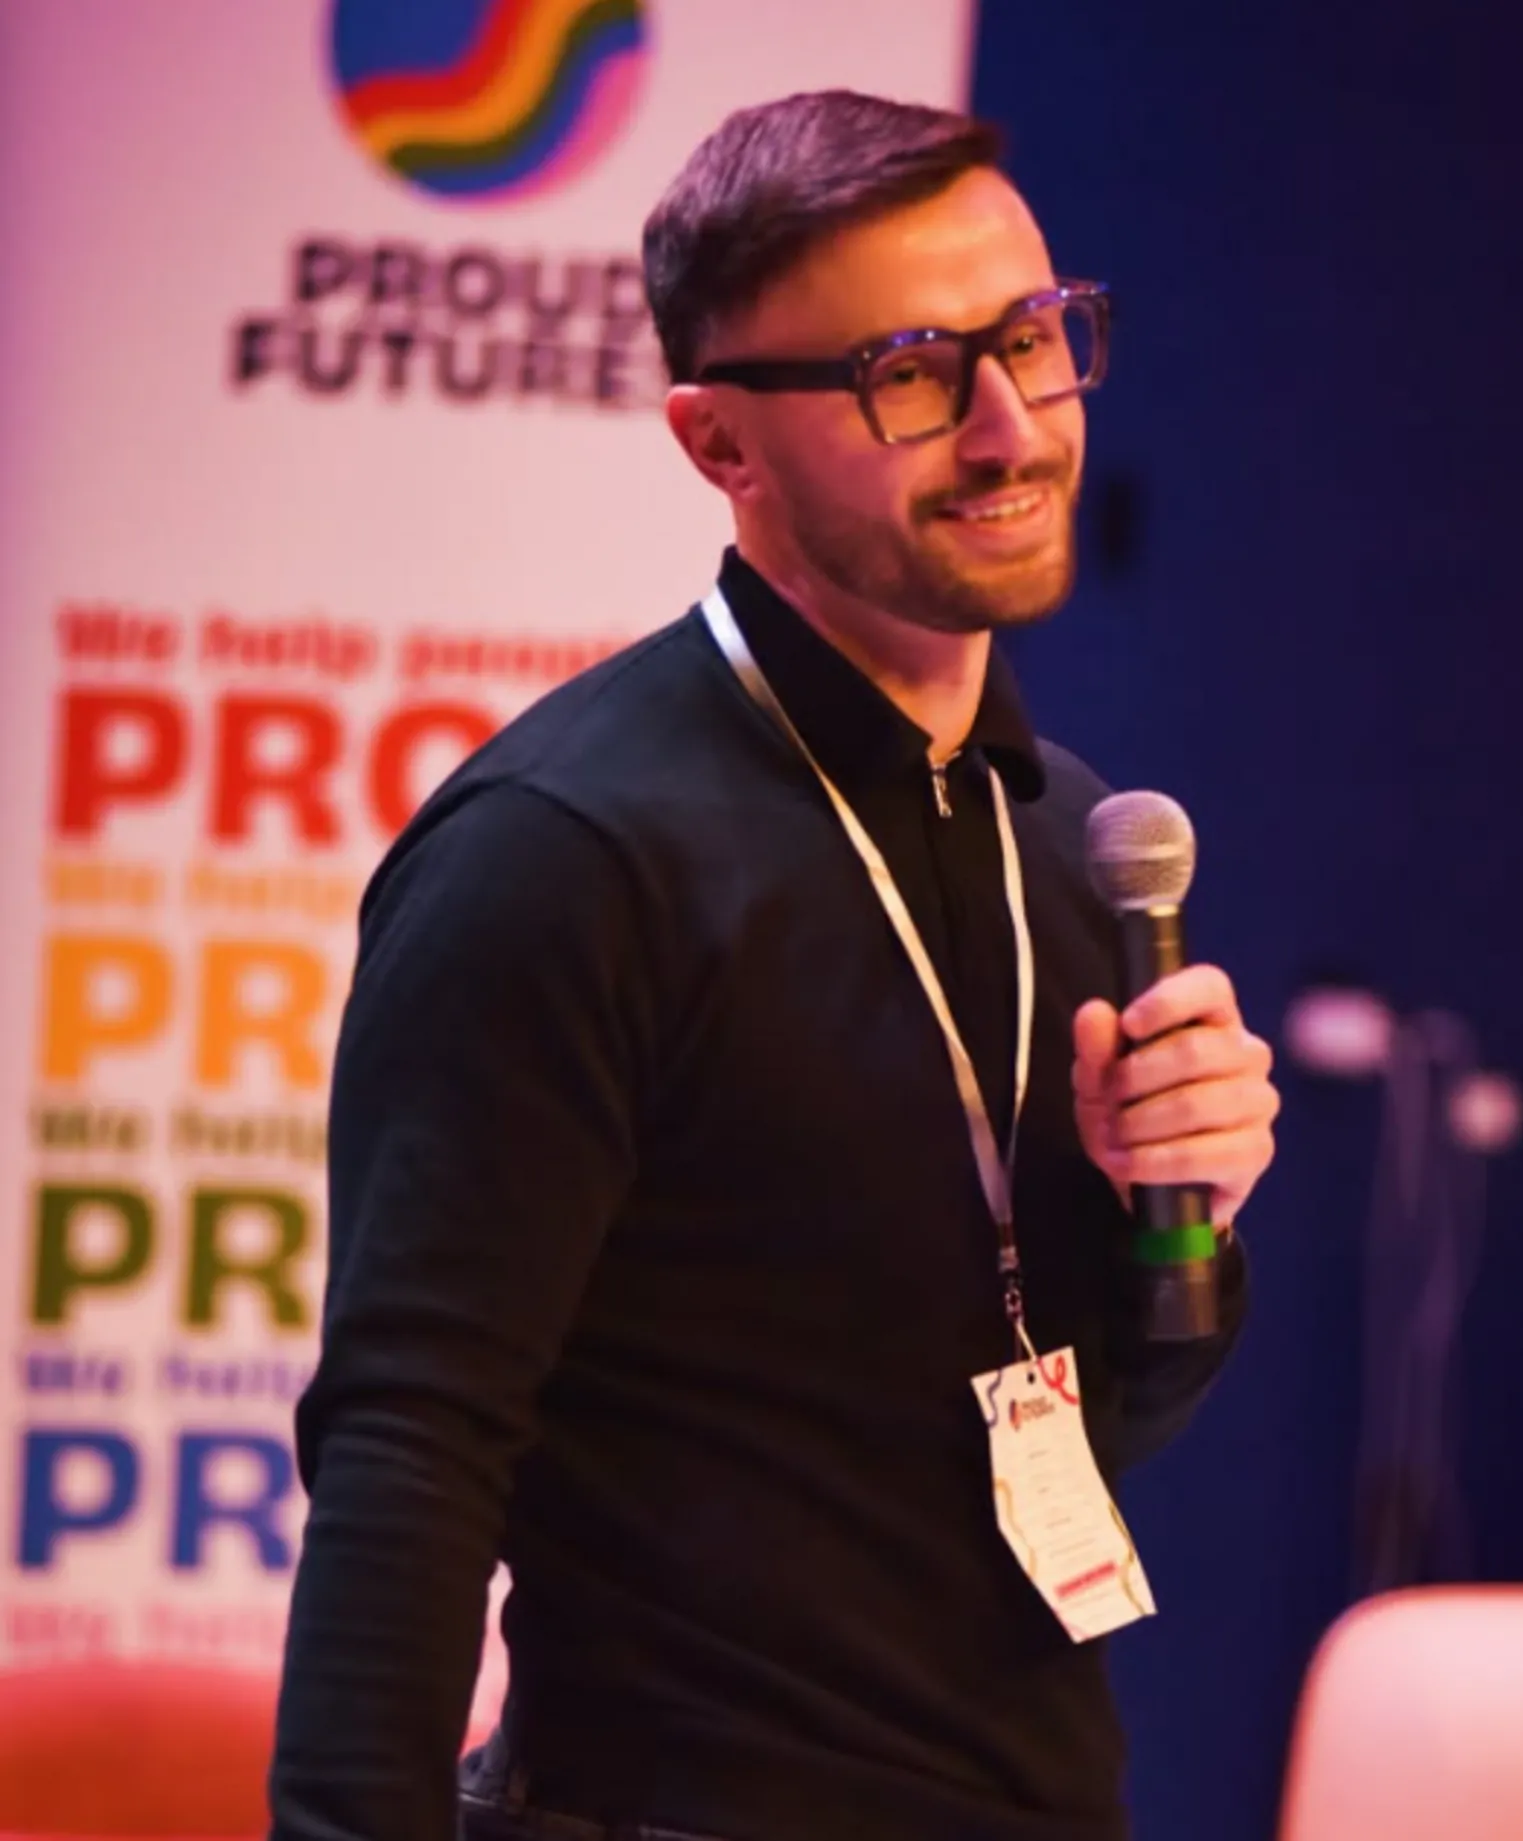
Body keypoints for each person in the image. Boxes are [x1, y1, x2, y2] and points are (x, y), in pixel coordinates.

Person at [268, 89, 1279, 1841]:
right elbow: (408, 1449)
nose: (1007, 424)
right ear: (718, 443)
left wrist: (1172, 1215)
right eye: (910, 373)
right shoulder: (564, 852)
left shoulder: (1064, 837)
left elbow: (1071, 1417)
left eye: (1034, 338)